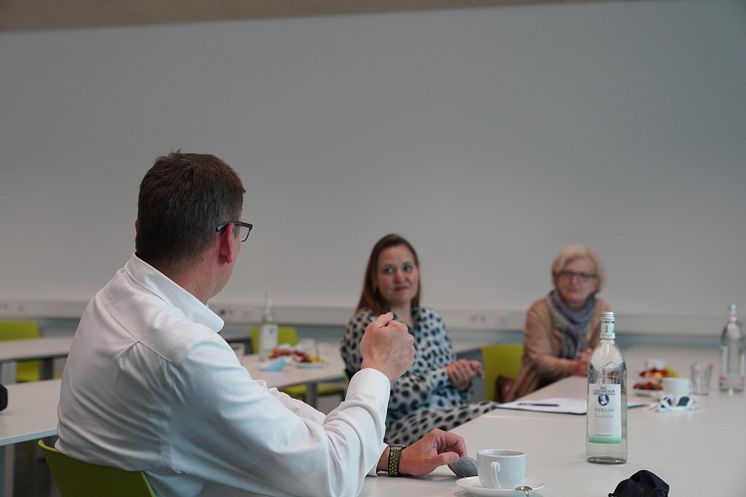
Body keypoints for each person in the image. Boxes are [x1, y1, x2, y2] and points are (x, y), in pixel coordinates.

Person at [56, 153, 468, 497]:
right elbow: (330, 478)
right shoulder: (180, 350)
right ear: (227, 242)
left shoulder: (112, 300)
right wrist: (375, 370)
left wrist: (385, 456)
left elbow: (258, 403)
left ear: (139, 230)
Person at [340, 234, 497, 446]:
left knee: (501, 414)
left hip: (448, 414)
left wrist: (461, 380)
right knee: (492, 412)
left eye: (407, 268)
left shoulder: (433, 319)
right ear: (374, 279)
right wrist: (445, 375)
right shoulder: (369, 326)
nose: (399, 277)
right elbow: (390, 395)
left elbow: (457, 390)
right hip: (400, 428)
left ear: (418, 271)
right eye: (388, 270)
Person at [508, 244, 610, 401]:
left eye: (583, 275)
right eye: (567, 273)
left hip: (585, 391)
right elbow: (541, 361)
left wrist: (594, 360)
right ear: (556, 278)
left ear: (595, 283)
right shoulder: (539, 310)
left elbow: (604, 354)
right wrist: (576, 366)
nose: (574, 281)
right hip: (537, 393)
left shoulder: (602, 309)